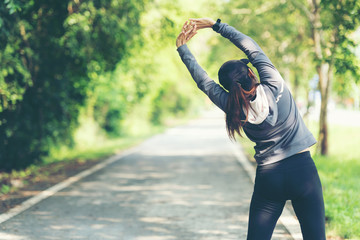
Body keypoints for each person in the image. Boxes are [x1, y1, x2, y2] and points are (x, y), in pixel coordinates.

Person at [176, 18, 326, 240]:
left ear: (229, 88)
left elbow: (204, 83)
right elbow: (250, 46)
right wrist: (215, 25)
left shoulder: (232, 106)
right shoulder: (274, 83)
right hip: (303, 171)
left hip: (269, 179)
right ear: (252, 74)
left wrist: (182, 48)